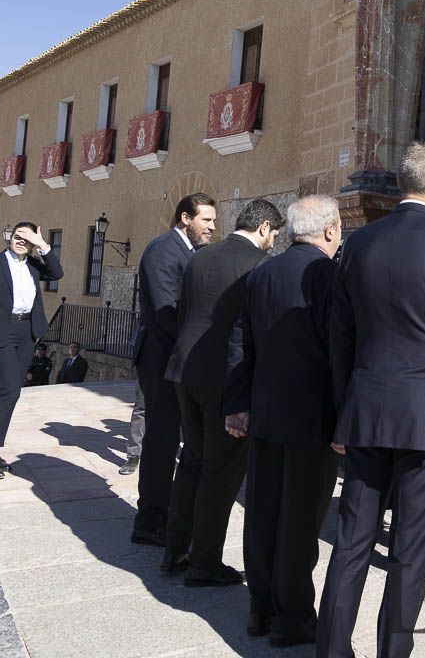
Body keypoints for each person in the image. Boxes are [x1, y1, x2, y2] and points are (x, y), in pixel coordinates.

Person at [317, 141, 425, 658]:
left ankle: (331, 650)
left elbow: (339, 336)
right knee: (411, 549)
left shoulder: (359, 244)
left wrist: (346, 410)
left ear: (399, 185)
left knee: (351, 542)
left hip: (366, 412)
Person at [224, 195, 342, 647]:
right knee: (301, 519)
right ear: (330, 231)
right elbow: (339, 351)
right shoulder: (329, 276)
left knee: (264, 511)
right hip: (314, 417)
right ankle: (291, 618)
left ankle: (260, 608)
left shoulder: (262, 272)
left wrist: (239, 404)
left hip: (266, 411)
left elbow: (241, 343)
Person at [162, 198, 283, 586]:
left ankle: (175, 551)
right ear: (264, 227)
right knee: (222, 475)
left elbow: (184, 313)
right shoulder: (259, 265)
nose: (273, 242)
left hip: (185, 370)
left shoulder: (200, 255)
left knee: (192, 463)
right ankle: (204, 564)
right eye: (274, 235)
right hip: (225, 382)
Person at [128, 193, 217, 531]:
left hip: (176, 357)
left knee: (171, 437)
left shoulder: (189, 251)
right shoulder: (163, 250)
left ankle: (164, 510)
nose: (212, 227)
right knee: (161, 439)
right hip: (161, 357)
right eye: (206, 220)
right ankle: (150, 519)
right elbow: (167, 312)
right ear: (185, 218)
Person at [0, 222, 63, 480]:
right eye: (17, 236)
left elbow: (57, 273)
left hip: (26, 333)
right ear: (9, 238)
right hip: (1, 332)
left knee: (13, 391)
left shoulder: (34, 265)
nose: (21, 240)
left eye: (27, 237)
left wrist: (43, 244)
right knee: (8, 390)